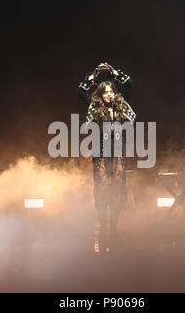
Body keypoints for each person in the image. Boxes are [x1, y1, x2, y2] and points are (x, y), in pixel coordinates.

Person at [78, 62, 136, 252]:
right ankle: (103, 227)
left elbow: (129, 84)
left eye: (111, 91)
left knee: (119, 192)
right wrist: (95, 73)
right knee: (102, 192)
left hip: (118, 154)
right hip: (101, 155)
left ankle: (114, 228)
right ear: (101, 95)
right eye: (106, 92)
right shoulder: (95, 108)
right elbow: (81, 90)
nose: (109, 94)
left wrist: (113, 71)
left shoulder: (121, 106)